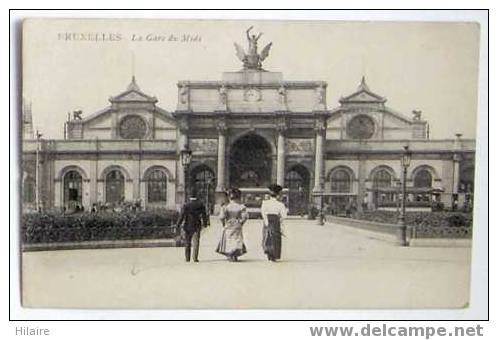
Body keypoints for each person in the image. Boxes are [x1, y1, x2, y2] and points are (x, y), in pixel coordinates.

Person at [216, 188, 249, 262]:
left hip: (228, 223)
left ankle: (230, 254)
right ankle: (235, 254)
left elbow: (222, 217)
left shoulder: (225, 207)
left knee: (229, 239)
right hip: (237, 224)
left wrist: (223, 223)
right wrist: (241, 223)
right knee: (237, 239)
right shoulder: (241, 207)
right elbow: (245, 217)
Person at [176, 194, 208, 262]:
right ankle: (195, 258)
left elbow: (182, 215)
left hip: (187, 225)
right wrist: (205, 224)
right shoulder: (200, 205)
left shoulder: (186, 205)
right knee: (196, 242)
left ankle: (187, 258)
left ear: (190, 197)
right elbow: (204, 215)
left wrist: (178, 224)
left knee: (187, 242)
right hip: (197, 225)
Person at [261, 184, 288, 262]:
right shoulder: (280, 204)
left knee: (267, 237)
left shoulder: (265, 202)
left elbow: (263, 213)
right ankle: (274, 255)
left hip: (267, 221)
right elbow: (284, 216)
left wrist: (266, 221)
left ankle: (268, 253)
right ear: (278, 195)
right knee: (275, 238)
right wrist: (280, 220)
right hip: (276, 222)